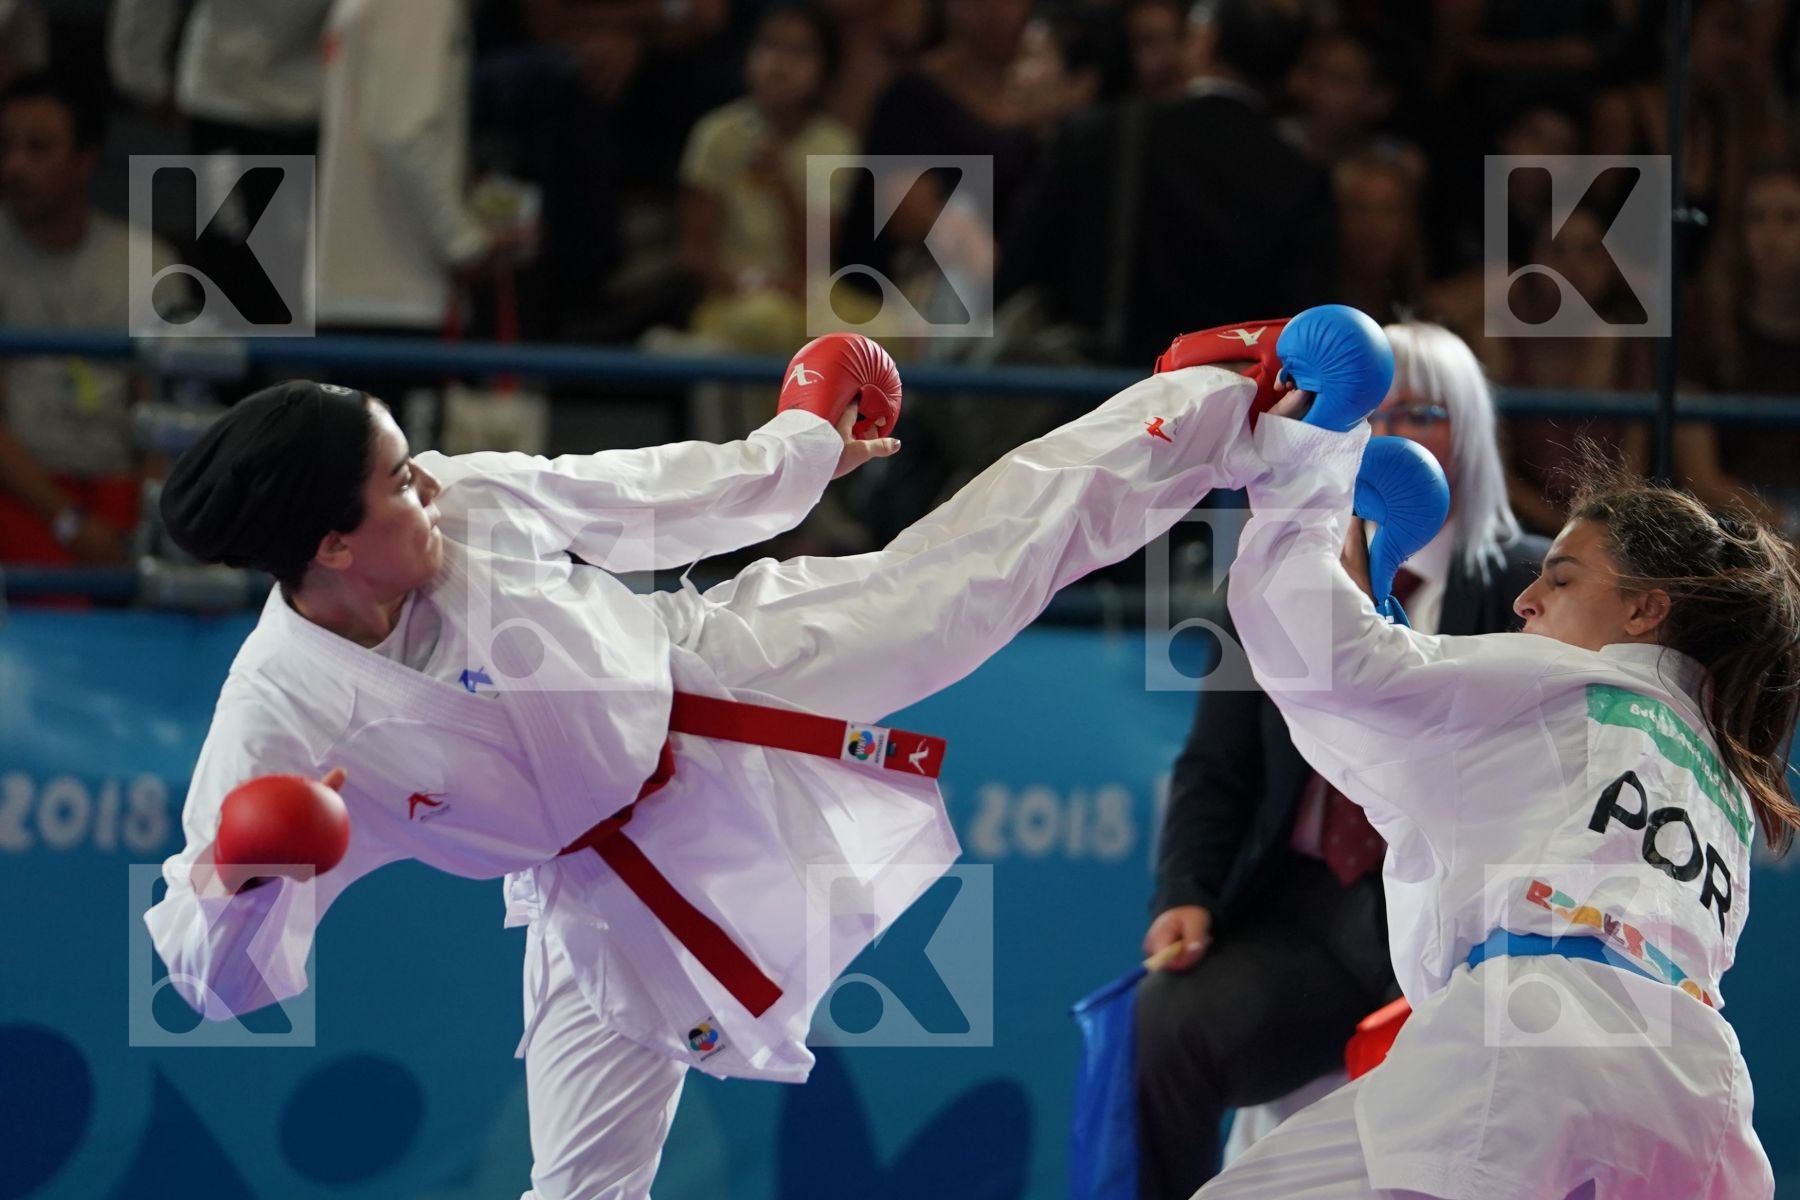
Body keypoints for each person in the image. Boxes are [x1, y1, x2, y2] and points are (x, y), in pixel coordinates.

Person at [145, 309, 1394, 1200]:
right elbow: (212, 980)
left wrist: (797, 443)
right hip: (603, 898)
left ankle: (1233, 398)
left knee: (975, 569)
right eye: (394, 485)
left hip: (717, 676)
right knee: (581, 1188)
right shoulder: (279, 718)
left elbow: (644, 494)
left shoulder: (464, 496)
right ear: (331, 548)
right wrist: (244, 880)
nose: (425, 482)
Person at [1190, 340, 1794, 1197]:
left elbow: (1335, 669)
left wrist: (1299, 476)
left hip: (1535, 1043)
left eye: (1562, 578)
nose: (1524, 600)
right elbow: (1414, 784)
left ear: (1644, 610)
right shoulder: (1718, 768)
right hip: (1695, 1087)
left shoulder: (1565, 679)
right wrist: (1390, 631)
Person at [1134, 323, 1546, 1200]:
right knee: (1169, 1022)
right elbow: (1215, 767)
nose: (1392, 433)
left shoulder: (1533, 589)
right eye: (1373, 412)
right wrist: (1183, 897)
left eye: (1424, 414)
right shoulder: (1275, 572)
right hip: (1304, 908)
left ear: (1470, 436)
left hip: (1457, 919)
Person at [997, 0, 1333, 366]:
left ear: (1204, 42)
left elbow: (1019, 269)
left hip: (1105, 385)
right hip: (1235, 388)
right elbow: (1301, 321)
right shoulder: (1302, 176)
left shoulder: (1104, 134)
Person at [0, 75, 182, 569]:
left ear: (85, 159)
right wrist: (68, 520)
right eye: (6, 146)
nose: (15, 165)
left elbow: (164, 417)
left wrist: (151, 523)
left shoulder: (149, 263)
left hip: (119, 489)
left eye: (38, 148)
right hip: (21, 490)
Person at [1677, 158, 1800, 542]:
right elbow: (1700, 476)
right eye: (1756, 218)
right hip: (1735, 520)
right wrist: (1787, 526)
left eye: (1789, 218)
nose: (1770, 234)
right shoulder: (1703, 327)